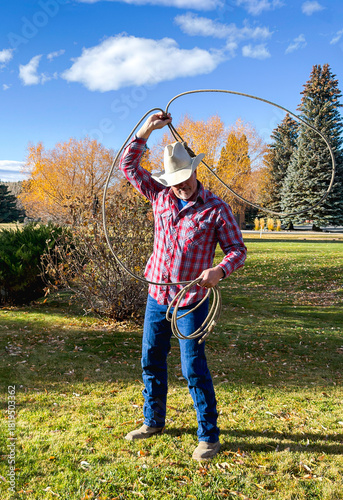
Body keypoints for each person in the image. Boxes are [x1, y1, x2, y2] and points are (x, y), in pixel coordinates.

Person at [119, 112, 247, 461]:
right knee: (151, 359)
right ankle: (153, 421)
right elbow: (128, 167)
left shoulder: (216, 209)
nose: (182, 185)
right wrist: (146, 129)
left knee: (193, 367)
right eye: (176, 181)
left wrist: (219, 271)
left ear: (195, 170)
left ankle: (208, 435)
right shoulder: (159, 197)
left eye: (187, 178)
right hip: (157, 296)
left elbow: (238, 250)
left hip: (191, 300)